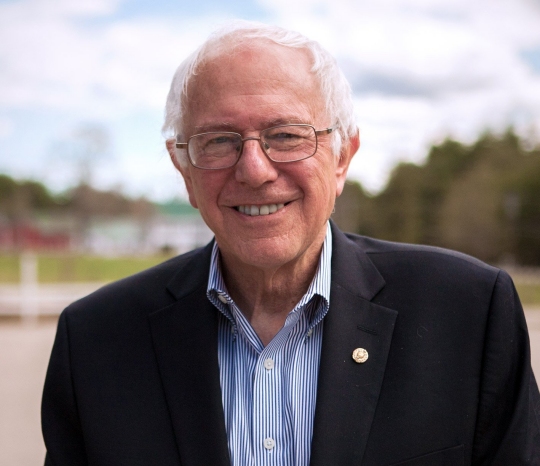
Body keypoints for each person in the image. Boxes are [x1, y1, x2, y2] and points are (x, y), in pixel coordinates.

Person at [42, 21, 540, 466]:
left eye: (285, 135)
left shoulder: (469, 313)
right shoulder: (93, 342)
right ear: (184, 169)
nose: (254, 170)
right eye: (218, 140)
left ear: (343, 156)